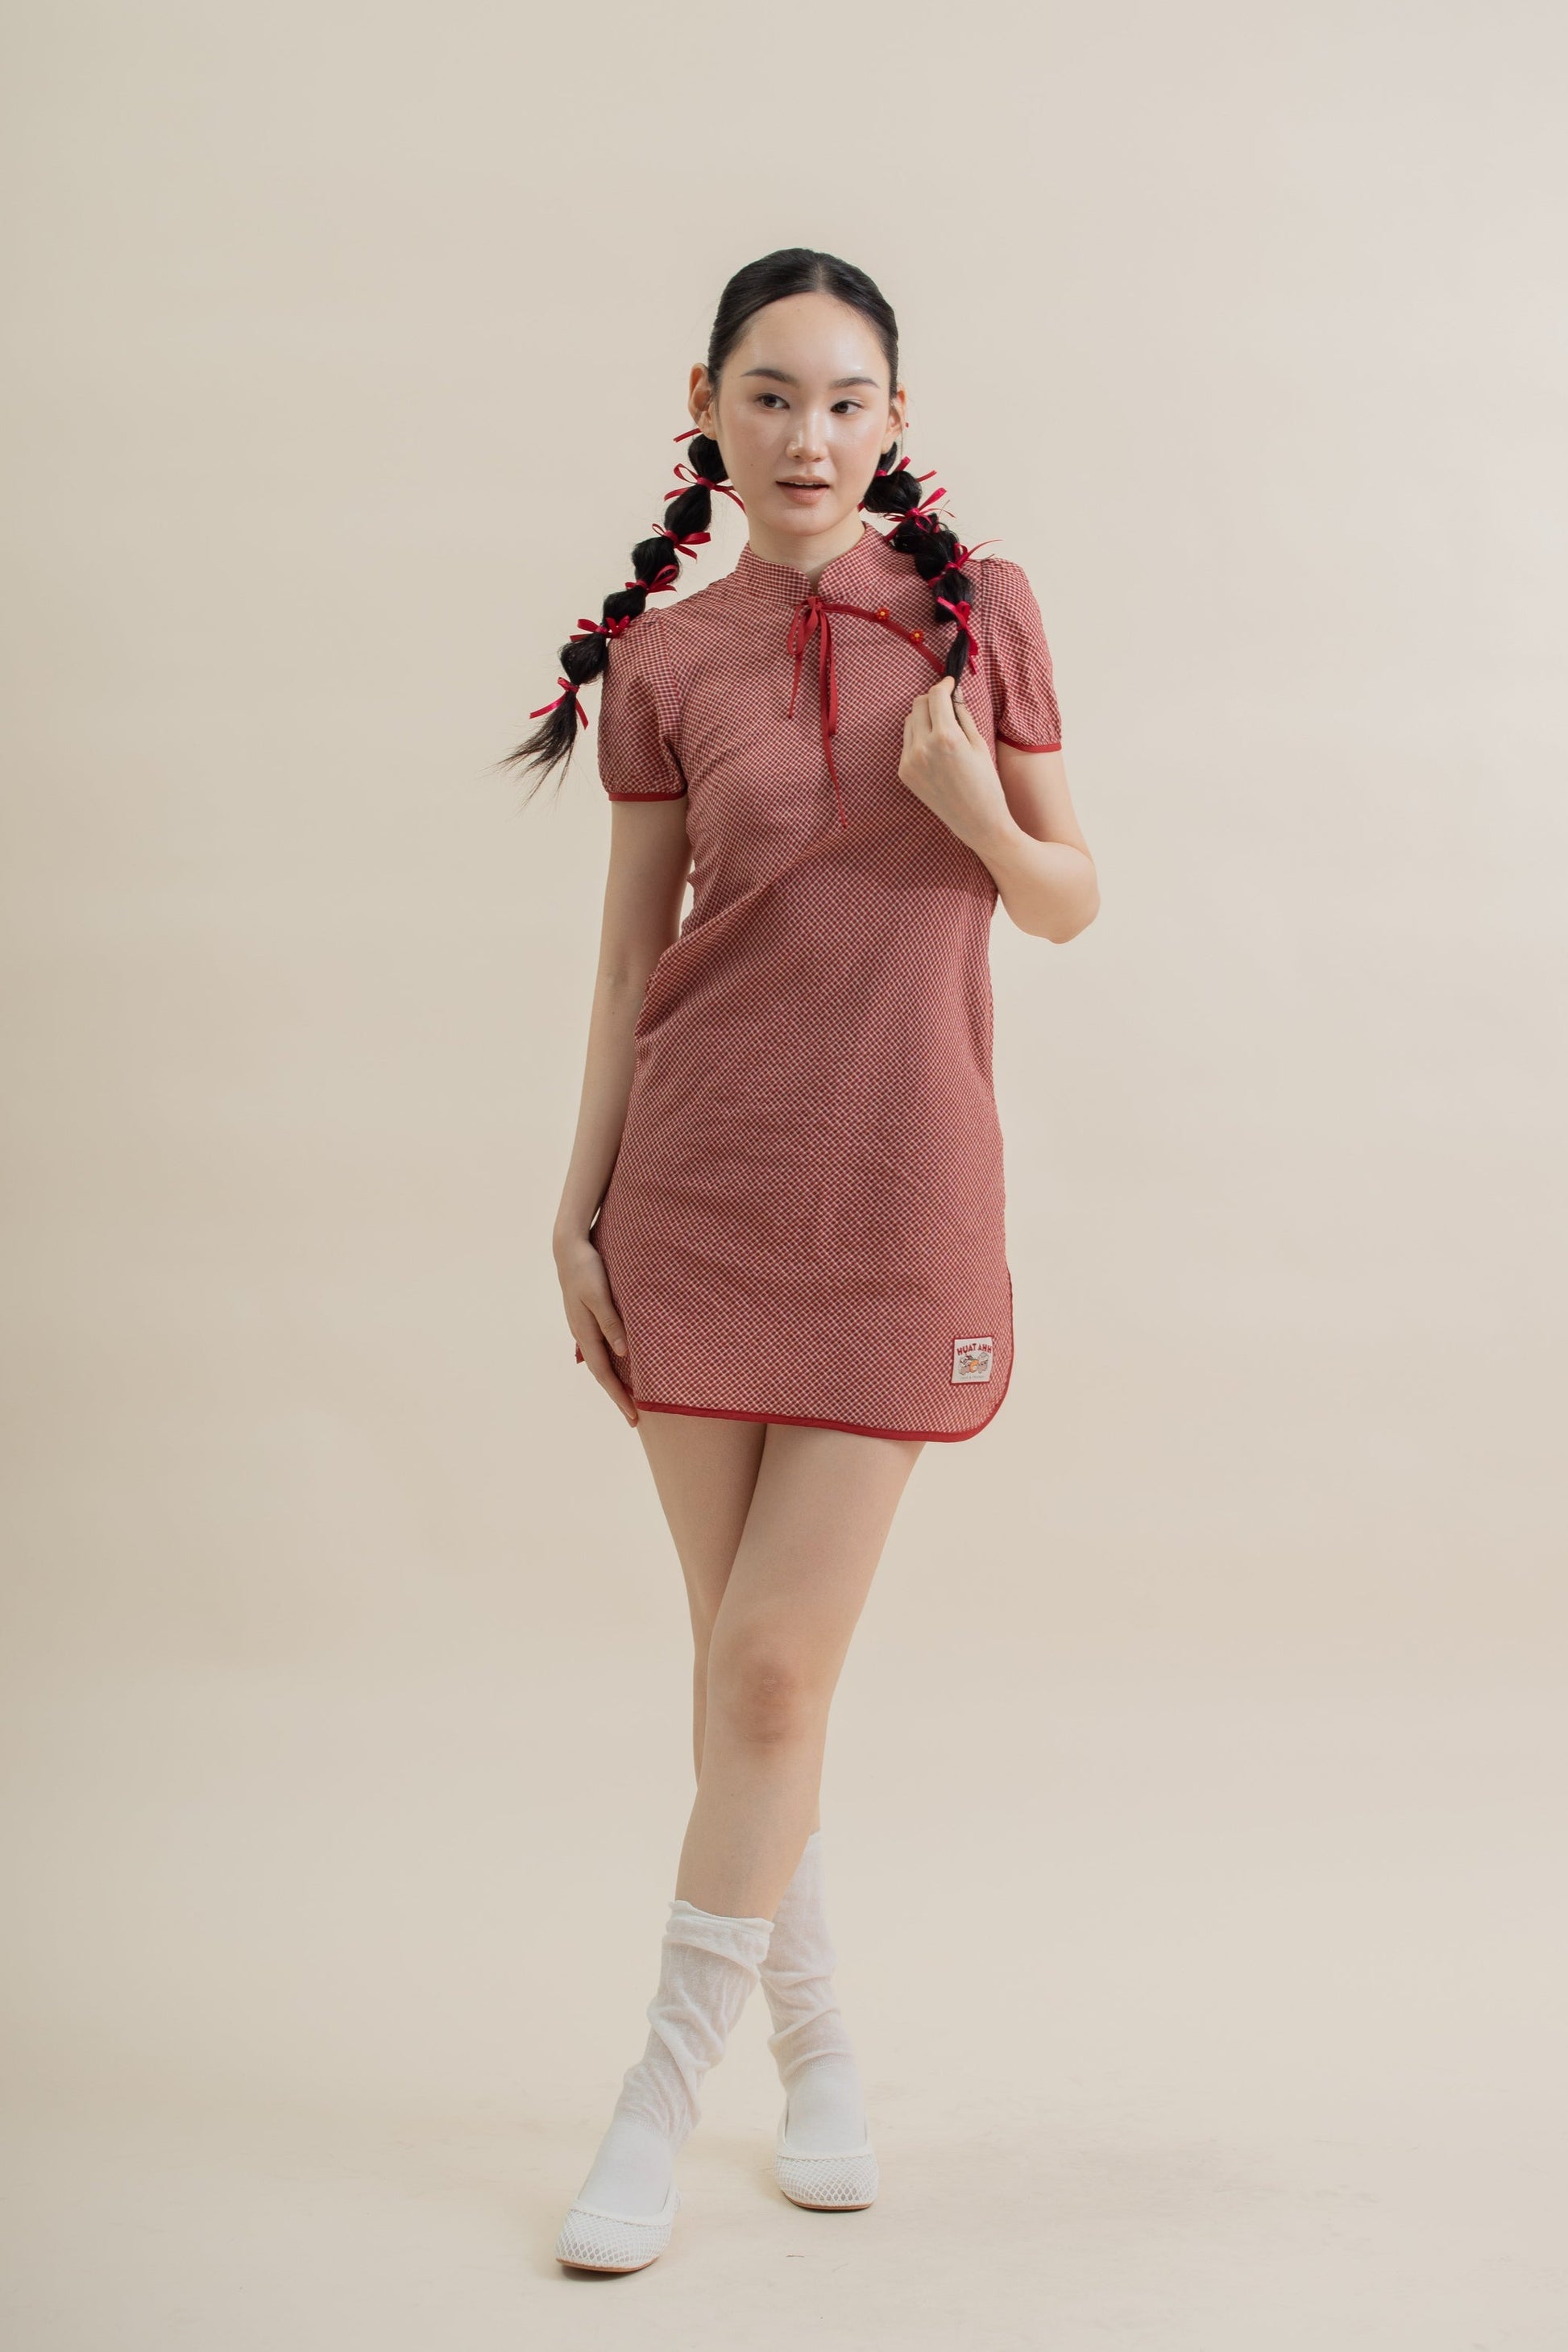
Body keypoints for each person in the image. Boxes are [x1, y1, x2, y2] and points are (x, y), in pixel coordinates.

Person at [503, 247, 1098, 2275]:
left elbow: (1070, 896)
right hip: (699, 1194)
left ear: (894, 419)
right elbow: (625, 965)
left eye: (845, 399)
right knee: (749, 1677)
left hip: (899, 1203)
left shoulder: (976, 613)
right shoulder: (665, 662)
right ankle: (823, 2051)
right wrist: (575, 1208)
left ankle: (656, 2098)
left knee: (768, 1668)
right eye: (768, 396)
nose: (807, 436)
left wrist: (970, 804)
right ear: (707, 407)